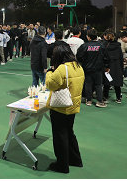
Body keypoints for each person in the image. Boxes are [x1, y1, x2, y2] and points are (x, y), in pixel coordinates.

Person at [45, 41, 85, 174]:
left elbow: (50, 84)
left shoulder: (62, 68)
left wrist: (49, 72)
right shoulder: (78, 66)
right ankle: (75, 160)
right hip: (73, 105)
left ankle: (62, 165)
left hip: (60, 108)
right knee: (69, 133)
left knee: (60, 136)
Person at [76, 30, 108, 107]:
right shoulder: (101, 46)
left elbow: (78, 56)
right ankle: (99, 101)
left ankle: (89, 100)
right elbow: (106, 57)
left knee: (88, 84)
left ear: (88, 37)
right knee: (98, 85)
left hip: (87, 68)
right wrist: (106, 66)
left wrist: (84, 62)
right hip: (98, 69)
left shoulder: (84, 46)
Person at [104, 31, 125, 103]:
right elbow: (121, 58)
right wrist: (122, 69)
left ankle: (105, 97)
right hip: (117, 66)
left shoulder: (105, 46)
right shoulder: (118, 46)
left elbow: (104, 58)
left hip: (108, 66)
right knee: (117, 83)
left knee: (107, 83)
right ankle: (118, 98)